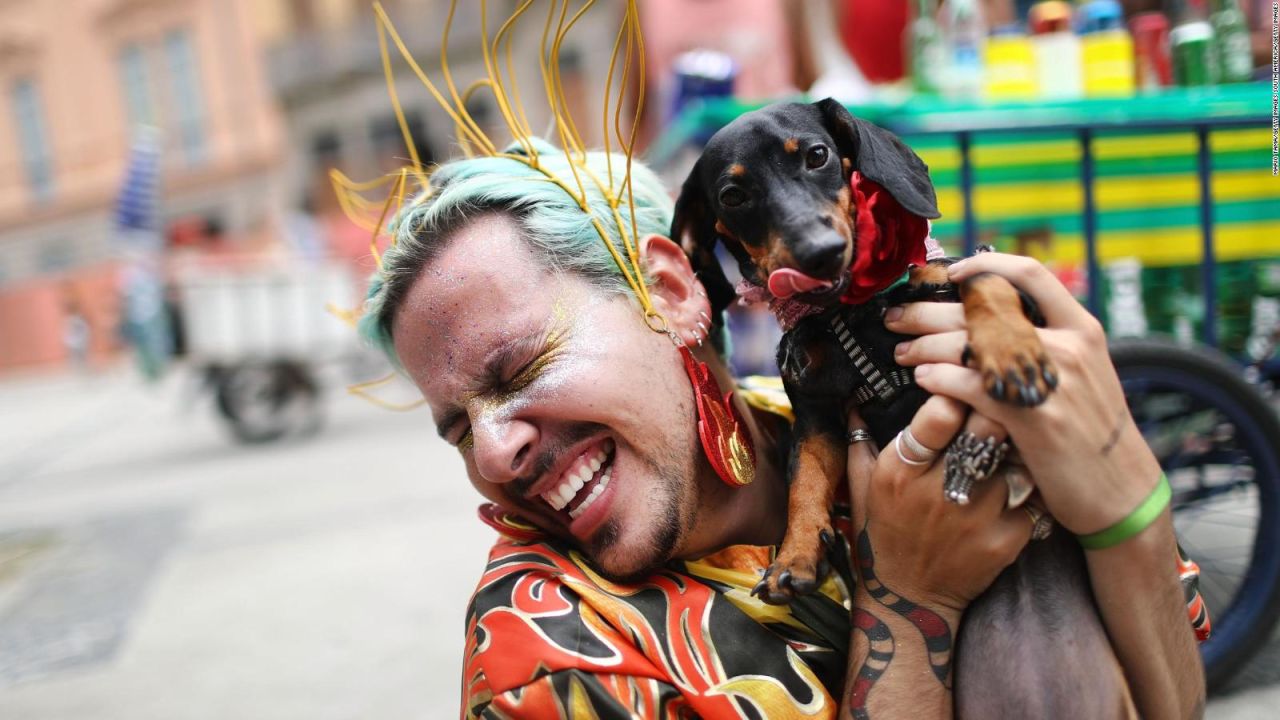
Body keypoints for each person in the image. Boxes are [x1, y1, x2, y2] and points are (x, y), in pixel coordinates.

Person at [356, 145, 1205, 718]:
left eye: (517, 370)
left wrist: (1120, 485)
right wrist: (910, 599)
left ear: (671, 292)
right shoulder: (541, 650)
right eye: (457, 429)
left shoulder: (880, 406)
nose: (494, 451)